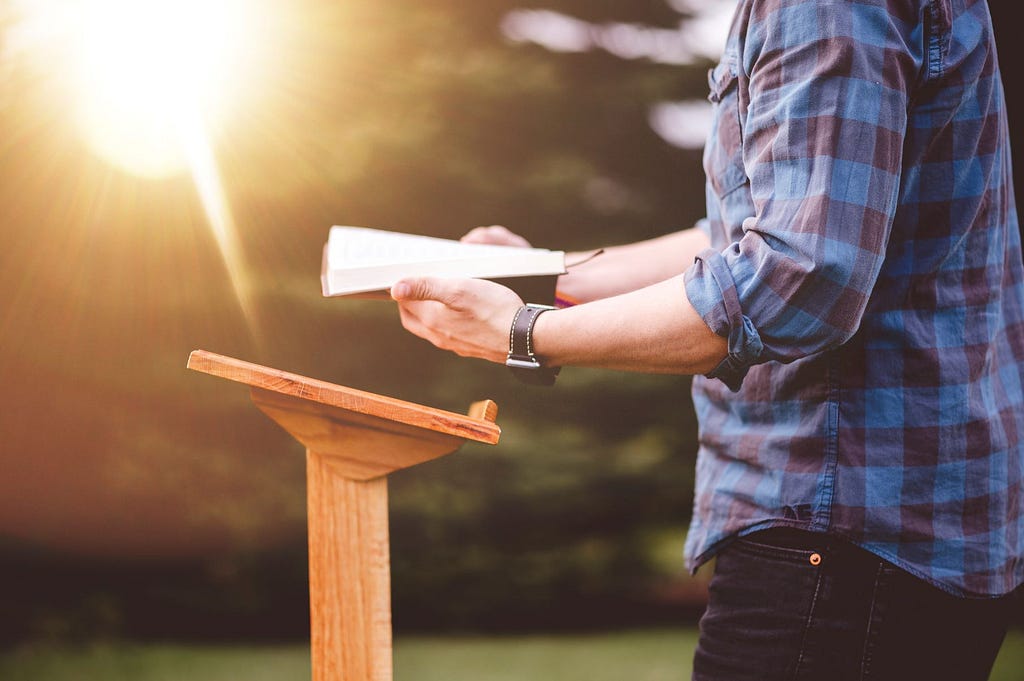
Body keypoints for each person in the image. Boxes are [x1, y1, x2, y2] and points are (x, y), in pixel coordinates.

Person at [389, 0, 1024, 678]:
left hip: (843, 531)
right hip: (880, 527)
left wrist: (524, 331)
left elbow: (797, 279)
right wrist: (545, 273)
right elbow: (736, 235)